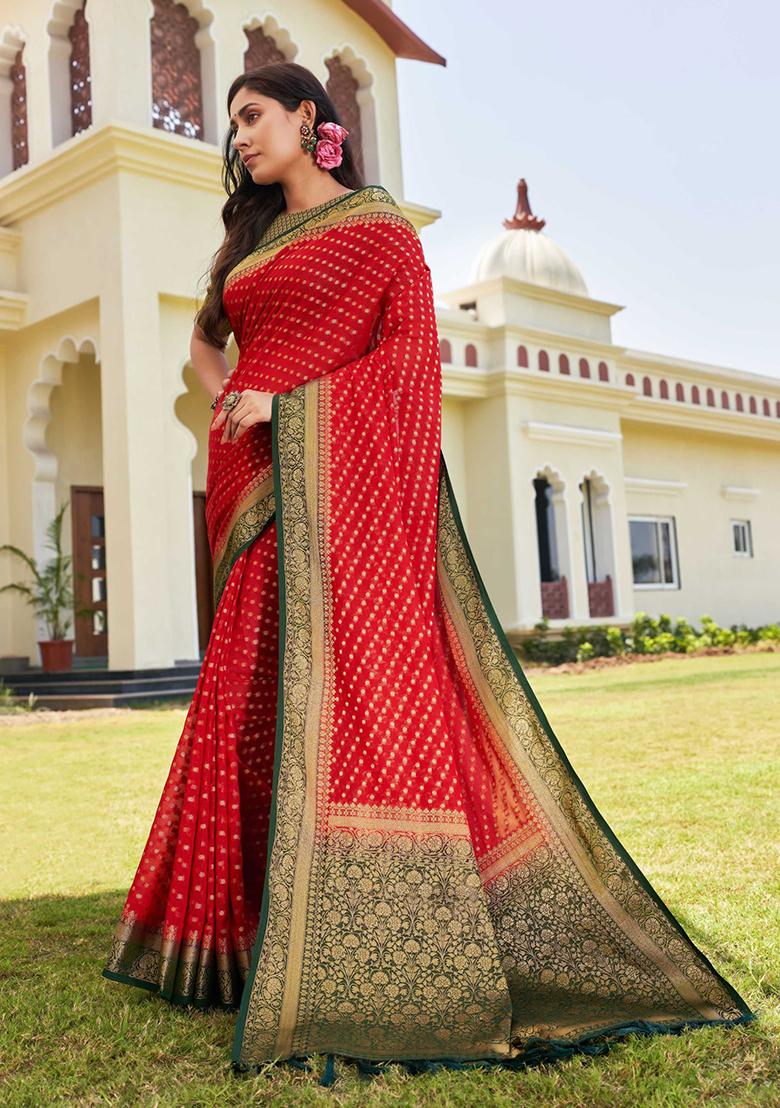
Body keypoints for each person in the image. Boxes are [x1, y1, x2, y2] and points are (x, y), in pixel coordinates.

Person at [101, 61, 754, 1086]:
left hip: (328, 485)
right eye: (234, 124)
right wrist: (233, 395)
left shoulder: (380, 232)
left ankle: (348, 940)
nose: (241, 137)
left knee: (323, 702)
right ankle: (232, 943)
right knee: (243, 702)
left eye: (253, 117)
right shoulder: (251, 239)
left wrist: (290, 405)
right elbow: (205, 335)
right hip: (259, 491)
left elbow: (411, 367)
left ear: (310, 118)